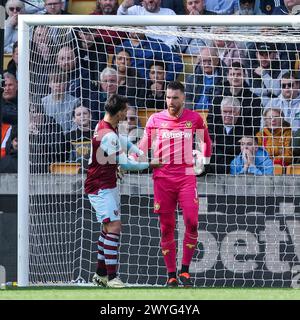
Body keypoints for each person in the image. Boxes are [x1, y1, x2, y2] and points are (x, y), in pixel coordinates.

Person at [137, 81, 212, 287]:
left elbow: (206, 143)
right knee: (166, 228)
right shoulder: (155, 119)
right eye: (168, 97)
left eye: (175, 98)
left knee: (192, 221)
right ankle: (171, 274)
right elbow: (142, 149)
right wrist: (133, 160)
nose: (170, 101)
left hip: (187, 177)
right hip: (162, 180)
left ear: (183, 98)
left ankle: (185, 270)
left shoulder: (194, 118)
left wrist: (202, 164)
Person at [84, 94, 160, 288]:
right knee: (114, 227)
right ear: (118, 112)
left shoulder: (106, 126)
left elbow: (122, 141)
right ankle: (112, 278)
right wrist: (150, 163)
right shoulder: (108, 134)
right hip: (100, 187)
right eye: (125, 111)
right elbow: (125, 163)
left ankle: (100, 275)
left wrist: (140, 151)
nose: (127, 114)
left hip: (107, 183)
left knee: (107, 228)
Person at [208, 96, 247, 174]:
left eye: (231, 112)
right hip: (213, 169)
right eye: (225, 112)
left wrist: (217, 147)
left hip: (236, 170)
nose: (228, 115)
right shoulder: (212, 129)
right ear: (221, 112)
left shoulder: (246, 130)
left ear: (238, 113)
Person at [65, 105, 93, 172]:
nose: (82, 116)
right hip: (75, 173)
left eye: (85, 113)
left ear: (90, 116)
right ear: (73, 119)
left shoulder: (97, 134)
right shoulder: (69, 136)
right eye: (78, 114)